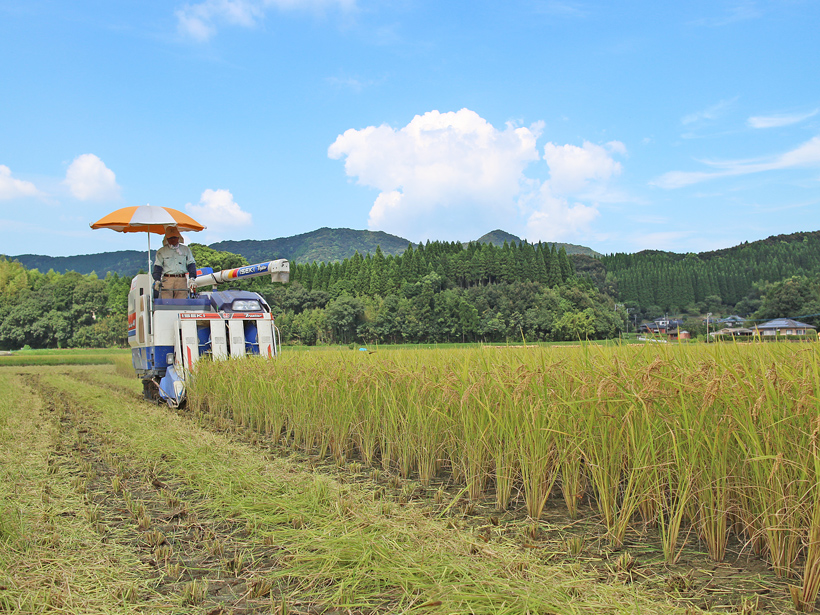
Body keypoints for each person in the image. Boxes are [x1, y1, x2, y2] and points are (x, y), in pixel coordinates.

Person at [152, 227, 197, 299]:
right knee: (167, 302)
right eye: (170, 238)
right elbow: (158, 267)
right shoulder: (161, 251)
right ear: (167, 239)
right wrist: (157, 280)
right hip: (167, 280)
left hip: (181, 279)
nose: (173, 239)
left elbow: (191, 264)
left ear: (178, 238)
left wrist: (192, 278)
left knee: (182, 303)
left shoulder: (185, 250)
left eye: (175, 237)